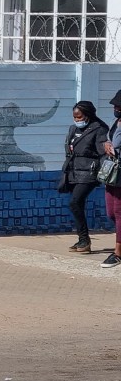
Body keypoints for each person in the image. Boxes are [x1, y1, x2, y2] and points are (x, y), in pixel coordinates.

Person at [63, 100, 108, 254]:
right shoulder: (73, 129)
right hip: (73, 171)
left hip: (89, 173)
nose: (77, 120)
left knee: (74, 202)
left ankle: (85, 240)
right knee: (77, 205)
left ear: (88, 116)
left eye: (79, 117)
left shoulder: (99, 129)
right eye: (74, 117)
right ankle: (82, 239)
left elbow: (102, 153)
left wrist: (104, 173)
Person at [101, 91, 121, 268]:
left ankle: (118, 253)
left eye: (119, 106)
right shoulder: (115, 122)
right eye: (115, 106)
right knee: (111, 213)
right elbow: (108, 140)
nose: (116, 109)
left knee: (119, 211)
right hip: (112, 174)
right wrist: (107, 145)